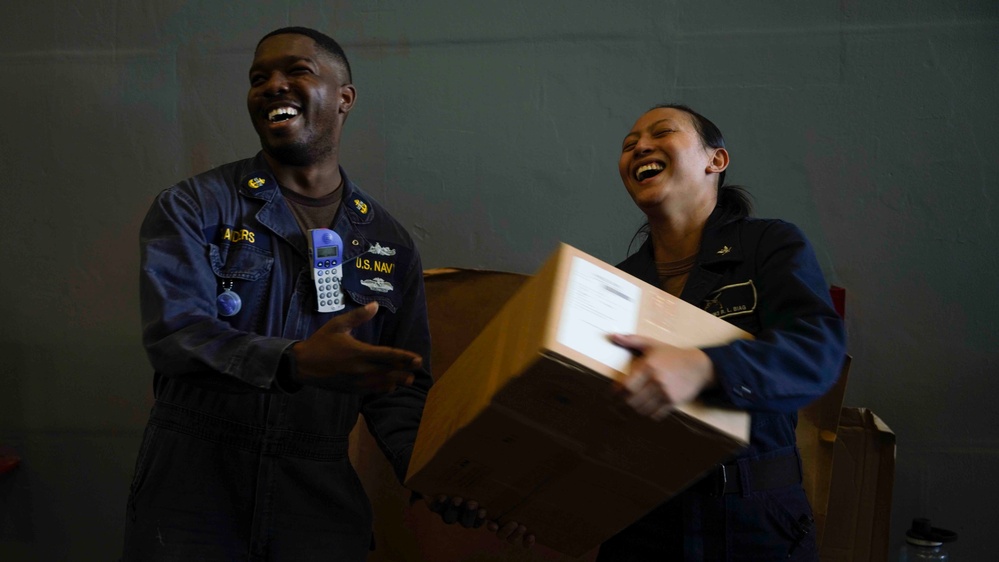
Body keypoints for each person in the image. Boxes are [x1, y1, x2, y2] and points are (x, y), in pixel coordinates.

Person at [122, 27, 527, 560]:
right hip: (193, 492)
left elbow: (400, 391)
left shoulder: (388, 241)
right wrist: (296, 361)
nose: (272, 85)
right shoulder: (194, 207)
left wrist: (436, 477)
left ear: (344, 98)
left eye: (297, 71)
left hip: (316, 503)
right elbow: (176, 336)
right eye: (258, 78)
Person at [598, 104, 846, 561]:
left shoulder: (768, 245)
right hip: (642, 528)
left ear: (716, 160)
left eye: (661, 133)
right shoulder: (617, 285)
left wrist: (705, 366)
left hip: (754, 524)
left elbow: (816, 352)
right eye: (629, 145)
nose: (640, 147)